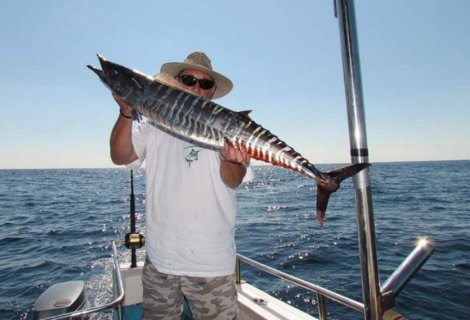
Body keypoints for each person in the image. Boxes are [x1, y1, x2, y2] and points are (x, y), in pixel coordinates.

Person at [110, 51, 250, 320]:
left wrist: (229, 158)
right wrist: (126, 112)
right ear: (175, 83)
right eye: (188, 79)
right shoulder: (153, 125)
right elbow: (121, 156)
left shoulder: (228, 127)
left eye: (205, 84)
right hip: (160, 262)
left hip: (211, 265)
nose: (197, 87)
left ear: (212, 92)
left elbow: (234, 180)